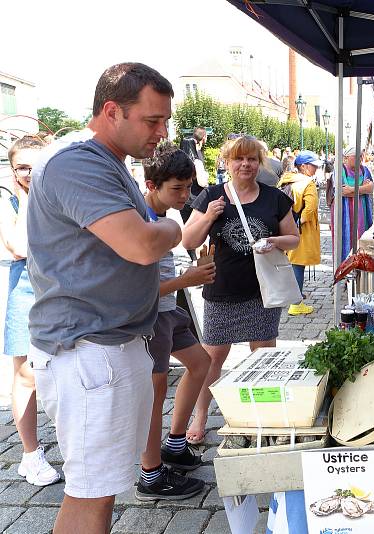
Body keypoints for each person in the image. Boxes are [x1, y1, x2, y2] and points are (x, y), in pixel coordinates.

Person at [26, 62, 181, 534]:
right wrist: (174, 228)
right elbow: (139, 244)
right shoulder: (78, 161)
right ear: (112, 111)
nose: (162, 132)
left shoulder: (103, 161)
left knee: (100, 489)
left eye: (165, 120)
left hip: (105, 349)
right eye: (152, 121)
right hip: (90, 352)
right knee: (90, 495)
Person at [182, 135, 299, 444]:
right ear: (227, 163)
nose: (245, 164)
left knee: (263, 355)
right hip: (221, 288)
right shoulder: (211, 196)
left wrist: (273, 241)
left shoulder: (275, 198)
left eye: (251, 159)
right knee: (213, 356)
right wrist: (209, 216)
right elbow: (189, 241)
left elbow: (294, 238)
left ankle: (264, 415)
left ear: (259, 163)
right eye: (238, 159)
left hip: (263, 290)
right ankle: (201, 414)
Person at [135, 143, 214, 501]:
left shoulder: (168, 213)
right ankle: (150, 476)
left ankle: (175, 443)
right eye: (176, 189)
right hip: (151, 316)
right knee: (155, 394)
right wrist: (187, 280)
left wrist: (190, 273)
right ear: (152, 185)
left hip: (170, 310)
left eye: (187, 187)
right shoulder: (138, 220)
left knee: (201, 363)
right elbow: (137, 289)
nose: (185, 195)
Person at [0, 135, 60, 487]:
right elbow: (19, 246)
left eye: (35, 166)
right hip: (25, 290)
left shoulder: (57, 193)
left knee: (61, 369)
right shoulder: (8, 200)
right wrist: (25, 198)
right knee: (26, 375)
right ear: (12, 170)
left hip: (59, 289)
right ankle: (30, 454)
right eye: (21, 166)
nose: (29, 172)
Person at [277, 150, 321, 316]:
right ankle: (296, 304)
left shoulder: (286, 180)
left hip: (285, 227)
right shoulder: (307, 183)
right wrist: (299, 222)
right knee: (298, 265)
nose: (316, 168)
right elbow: (310, 207)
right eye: (313, 165)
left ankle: (289, 297)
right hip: (301, 231)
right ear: (303, 166)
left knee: (289, 264)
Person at [334, 147, 374, 261]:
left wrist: (352, 189)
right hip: (344, 214)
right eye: (356, 156)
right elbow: (343, 192)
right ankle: (345, 270)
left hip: (363, 214)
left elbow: (371, 188)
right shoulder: (339, 171)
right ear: (346, 157)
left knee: (362, 241)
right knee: (346, 241)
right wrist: (362, 189)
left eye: (361, 156)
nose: (360, 159)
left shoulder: (365, 170)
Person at [178, 127, 209, 223]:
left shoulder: (179, 158)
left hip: (183, 198)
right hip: (196, 198)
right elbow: (202, 182)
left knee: (187, 226)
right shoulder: (197, 159)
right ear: (204, 137)